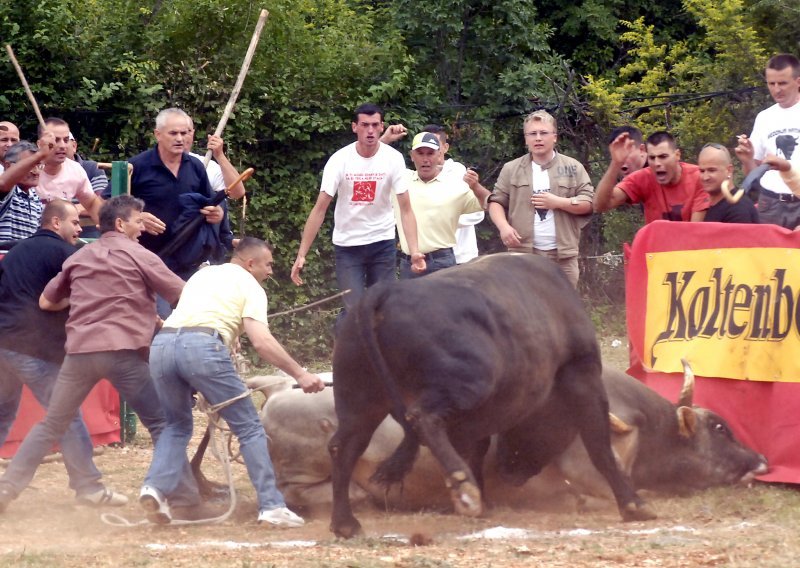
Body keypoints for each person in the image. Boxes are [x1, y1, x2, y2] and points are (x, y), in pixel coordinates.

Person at [0, 195, 187, 513]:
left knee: (48, 423)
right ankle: (180, 496)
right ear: (120, 224)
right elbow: (182, 292)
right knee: (162, 424)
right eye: (138, 222)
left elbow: (47, 302)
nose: (141, 229)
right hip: (111, 351)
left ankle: (7, 488)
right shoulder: (129, 254)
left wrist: (86, 302)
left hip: (64, 350)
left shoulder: (62, 256)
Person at [140, 237, 325, 527]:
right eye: (268, 264)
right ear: (251, 263)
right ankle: (272, 506)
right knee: (250, 427)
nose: (270, 271)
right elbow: (262, 342)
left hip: (162, 346)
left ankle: (154, 488)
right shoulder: (251, 286)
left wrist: (231, 334)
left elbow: (199, 312)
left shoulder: (204, 274)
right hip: (202, 348)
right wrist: (300, 374)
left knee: (176, 427)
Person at [0, 200, 127, 506]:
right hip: (30, 348)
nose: (80, 228)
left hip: (4, 344)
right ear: (56, 223)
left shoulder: (17, 252)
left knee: (3, 413)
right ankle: (89, 488)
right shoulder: (64, 254)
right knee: (65, 414)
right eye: (74, 222)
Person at [290, 104, 425, 313]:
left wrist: (415, 251)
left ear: (381, 127)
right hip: (348, 245)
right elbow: (319, 209)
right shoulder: (339, 160)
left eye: (374, 125)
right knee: (355, 310)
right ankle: (344, 343)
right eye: (364, 125)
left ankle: (381, 346)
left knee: (383, 307)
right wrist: (301, 254)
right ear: (355, 127)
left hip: (382, 241)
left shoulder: (393, 159)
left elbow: (406, 209)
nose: (369, 131)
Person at [488, 110, 594, 288]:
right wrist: (503, 227)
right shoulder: (511, 168)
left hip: (563, 257)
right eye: (533, 134)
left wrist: (558, 202)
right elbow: (496, 201)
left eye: (543, 133)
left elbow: (589, 204)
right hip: (523, 255)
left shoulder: (573, 167)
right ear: (526, 139)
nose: (538, 138)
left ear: (555, 137)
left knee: (563, 312)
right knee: (523, 311)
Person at [129, 108, 230, 285]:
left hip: (188, 260)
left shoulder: (196, 166)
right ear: (157, 134)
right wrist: (136, 218)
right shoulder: (136, 166)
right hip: (146, 259)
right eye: (173, 133)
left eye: (184, 133)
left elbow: (207, 205)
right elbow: (110, 207)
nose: (180, 138)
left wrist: (216, 214)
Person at [394, 132, 489, 278]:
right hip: (409, 263)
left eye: (430, 153)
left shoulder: (455, 184)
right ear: (412, 155)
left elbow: (487, 203)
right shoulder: (400, 180)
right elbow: (371, 164)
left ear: (439, 155)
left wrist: (476, 186)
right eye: (420, 153)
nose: (425, 159)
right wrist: (386, 138)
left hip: (441, 261)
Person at [735, 54, 800, 229]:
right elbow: (753, 173)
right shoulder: (764, 118)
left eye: (783, 83)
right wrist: (747, 158)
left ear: (798, 81)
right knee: (769, 254)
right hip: (770, 203)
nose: (777, 89)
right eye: (772, 84)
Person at [594, 130, 709, 223]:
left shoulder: (699, 177)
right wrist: (615, 163)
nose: (657, 163)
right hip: (655, 250)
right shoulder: (643, 178)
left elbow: (694, 231)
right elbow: (600, 205)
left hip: (691, 248)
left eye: (663, 156)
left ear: (677, 155)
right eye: (652, 158)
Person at [35, 118, 103, 225]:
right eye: (56, 140)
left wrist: (110, 233)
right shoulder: (27, 168)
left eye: (66, 140)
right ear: (40, 144)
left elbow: (92, 203)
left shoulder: (75, 169)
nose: (63, 146)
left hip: (59, 236)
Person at [0, 138, 54, 242]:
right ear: (8, 166)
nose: (36, 172)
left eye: (38, 165)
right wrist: (40, 154)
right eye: (30, 165)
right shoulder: (8, 192)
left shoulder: (35, 198)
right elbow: (3, 184)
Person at [697, 144, 759, 223]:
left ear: (729, 170)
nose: (705, 177)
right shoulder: (704, 206)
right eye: (702, 171)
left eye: (712, 170)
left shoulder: (738, 209)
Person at [65, 131, 108, 238]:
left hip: (88, 234)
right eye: (54, 141)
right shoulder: (40, 171)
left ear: (74, 146)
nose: (60, 145)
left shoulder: (92, 169)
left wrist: (69, 210)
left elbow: (104, 205)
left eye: (65, 140)